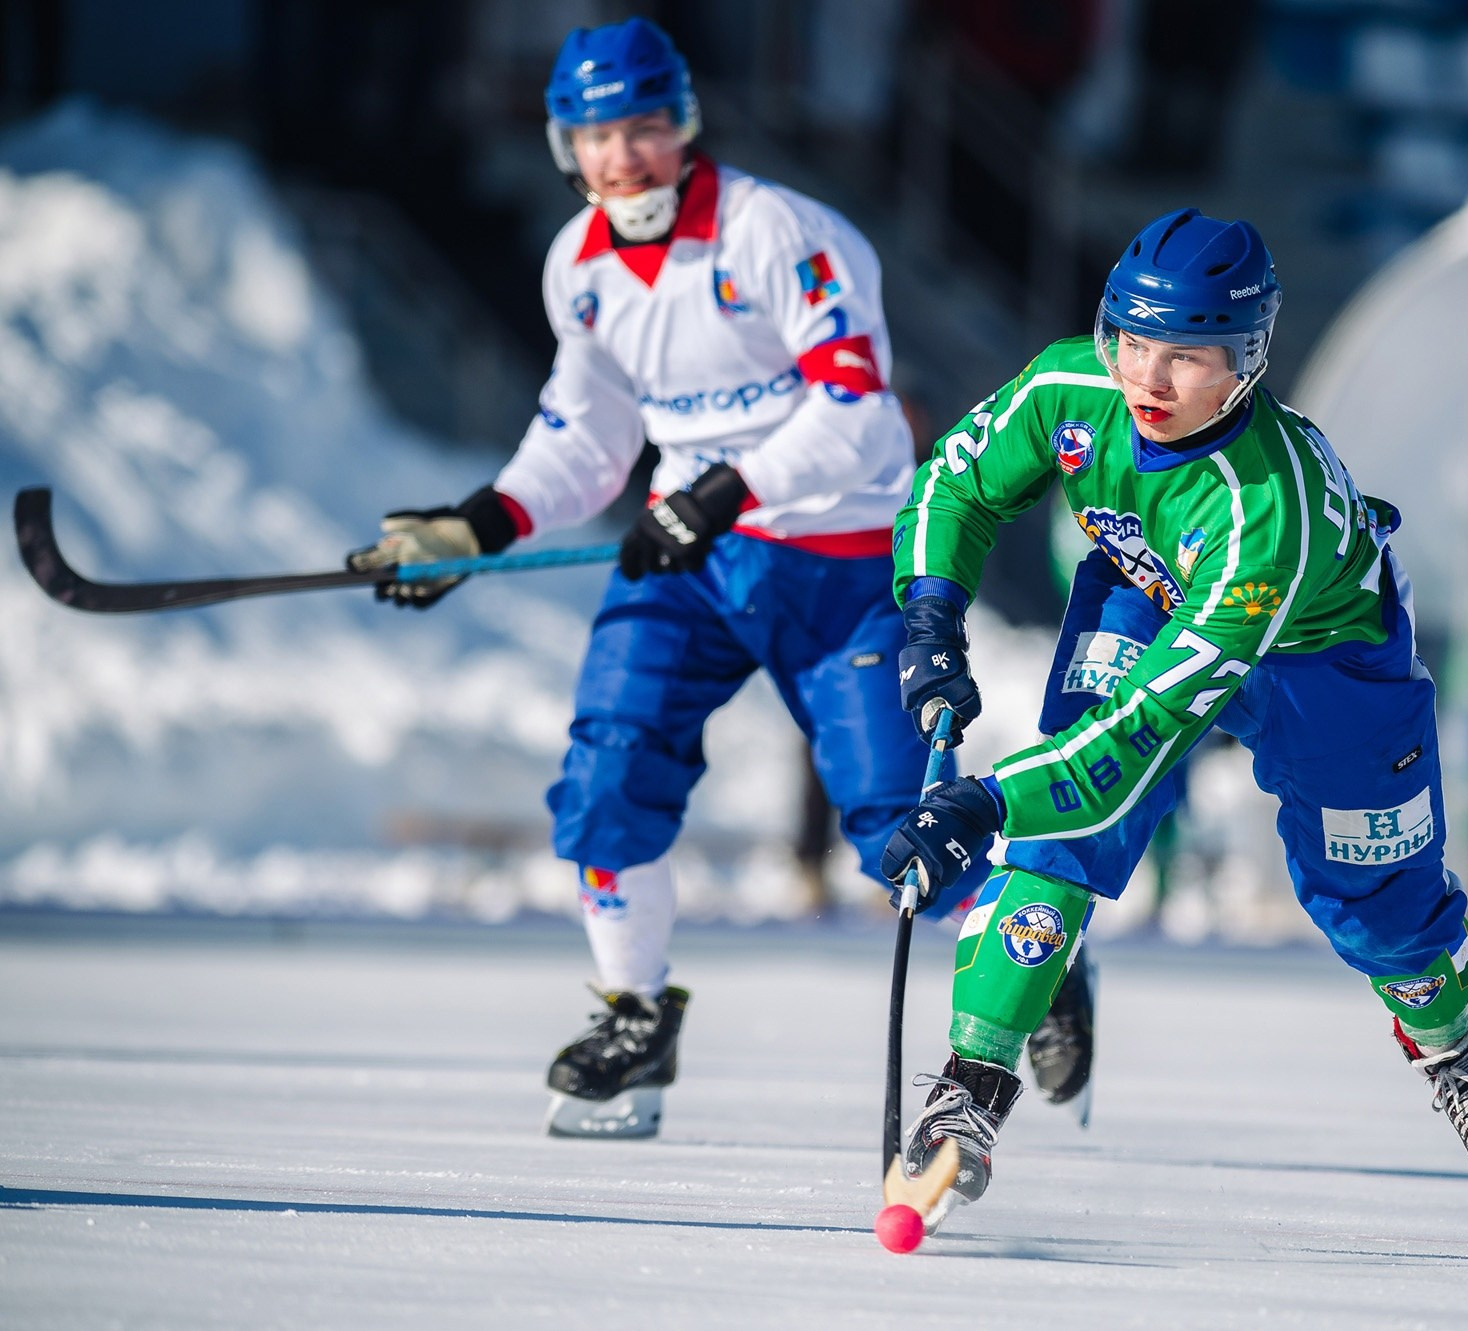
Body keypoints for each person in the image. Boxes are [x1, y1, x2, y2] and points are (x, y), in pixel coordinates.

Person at [343, 19, 1021, 1137]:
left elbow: (860, 417)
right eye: (596, 135)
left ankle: (1028, 966)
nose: (623, 158)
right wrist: (480, 524)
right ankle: (633, 1014)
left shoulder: (782, 235)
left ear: (685, 125)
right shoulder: (581, 267)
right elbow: (586, 437)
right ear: (564, 145)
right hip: (694, 564)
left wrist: (716, 493)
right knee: (609, 770)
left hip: (838, 557)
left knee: (902, 827)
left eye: (644, 128)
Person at [877, 209, 1468, 1226]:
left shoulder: (1257, 509)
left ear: (1247, 359)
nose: (1147, 379)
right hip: (1145, 589)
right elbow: (955, 485)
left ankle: (1449, 1048)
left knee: (1376, 898)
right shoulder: (1073, 384)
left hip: (1323, 658)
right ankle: (969, 1086)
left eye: (1187, 357)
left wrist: (978, 797)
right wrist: (929, 610)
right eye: (1130, 341)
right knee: (1061, 835)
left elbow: (1142, 732)